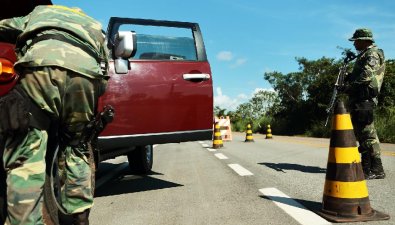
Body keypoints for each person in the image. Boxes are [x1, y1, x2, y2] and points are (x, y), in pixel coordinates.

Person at [0, 4, 108, 225]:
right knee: (77, 147)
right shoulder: (94, 24)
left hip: (40, 68)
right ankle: (79, 217)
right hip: (85, 77)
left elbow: (5, 27)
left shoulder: (38, 13)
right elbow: (104, 66)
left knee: (26, 151)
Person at [345, 28, 386, 180]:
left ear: (364, 40)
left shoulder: (372, 53)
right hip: (360, 98)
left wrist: (350, 86)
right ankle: (366, 166)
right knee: (361, 132)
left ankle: (377, 168)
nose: (354, 43)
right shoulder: (364, 54)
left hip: (365, 98)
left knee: (368, 133)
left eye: (356, 40)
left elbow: (367, 75)